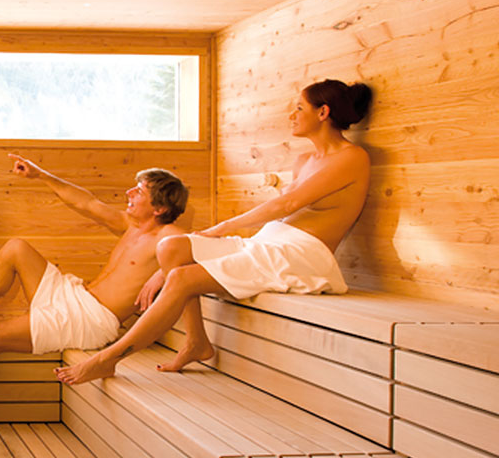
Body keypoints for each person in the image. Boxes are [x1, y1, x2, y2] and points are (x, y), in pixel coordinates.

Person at [55, 79, 373, 386]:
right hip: (268, 242)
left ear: (323, 112)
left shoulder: (352, 157)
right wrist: (165, 268)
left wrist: (219, 229)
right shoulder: (304, 160)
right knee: (172, 248)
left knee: (180, 277)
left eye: (299, 108)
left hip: (302, 255)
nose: (291, 115)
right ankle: (196, 342)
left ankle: (109, 358)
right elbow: (282, 209)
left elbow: (288, 203)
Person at [0, 156, 193, 432]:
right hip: (76, 294)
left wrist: (162, 273)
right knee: (16, 248)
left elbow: (201, 251)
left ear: (161, 207)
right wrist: (40, 174)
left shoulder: (171, 236)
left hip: (92, 320)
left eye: (139, 191)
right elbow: (84, 201)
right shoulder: (131, 225)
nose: (129, 193)